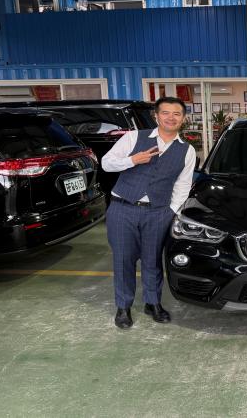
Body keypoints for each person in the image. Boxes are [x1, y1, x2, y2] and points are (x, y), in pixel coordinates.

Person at [102, 97, 196, 329]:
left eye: (176, 114)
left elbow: (183, 185)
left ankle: (152, 303)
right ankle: (123, 307)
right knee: (123, 259)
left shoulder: (187, 150)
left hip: (158, 212)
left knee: (152, 259)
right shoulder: (134, 137)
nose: (171, 117)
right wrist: (132, 160)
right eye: (166, 112)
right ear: (156, 116)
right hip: (122, 208)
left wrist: (170, 211)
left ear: (183, 118)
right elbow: (106, 163)